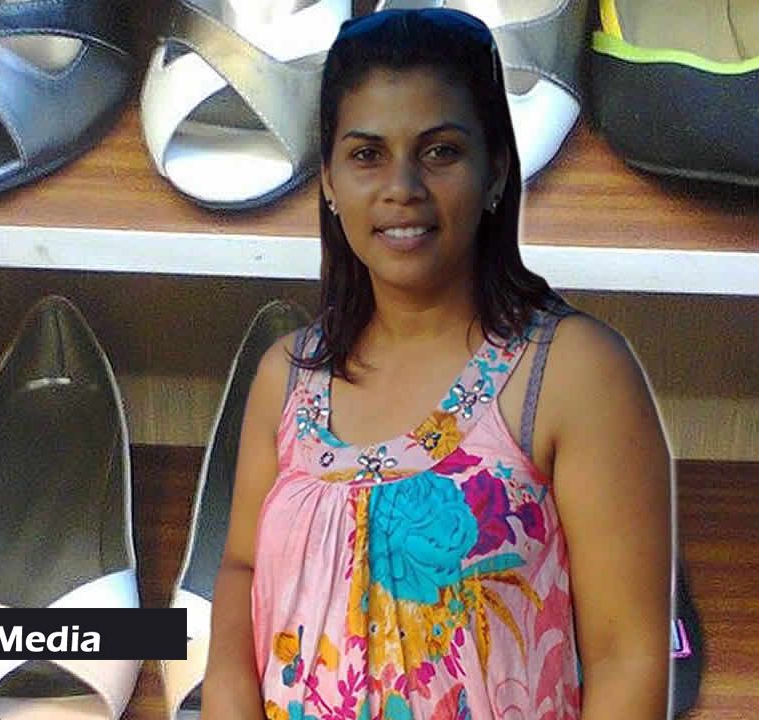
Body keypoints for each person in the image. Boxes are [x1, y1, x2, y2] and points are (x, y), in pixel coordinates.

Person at [199, 9, 671, 719]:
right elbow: (240, 567)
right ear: (328, 181)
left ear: (495, 170)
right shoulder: (287, 377)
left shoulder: (572, 374)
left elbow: (626, 657)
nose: (402, 187)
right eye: (366, 155)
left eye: (440, 151)